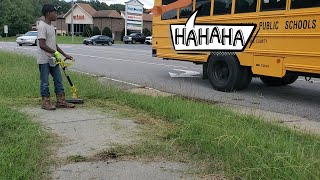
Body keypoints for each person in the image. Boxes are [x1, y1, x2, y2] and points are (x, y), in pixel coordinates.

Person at [37, 4, 75, 110]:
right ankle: (45, 102)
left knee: (58, 80)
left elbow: (54, 44)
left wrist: (64, 54)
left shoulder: (51, 27)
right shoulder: (42, 26)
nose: (56, 15)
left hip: (53, 59)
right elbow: (42, 44)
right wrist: (55, 52)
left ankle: (61, 101)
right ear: (48, 14)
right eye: (55, 13)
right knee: (45, 82)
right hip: (44, 59)